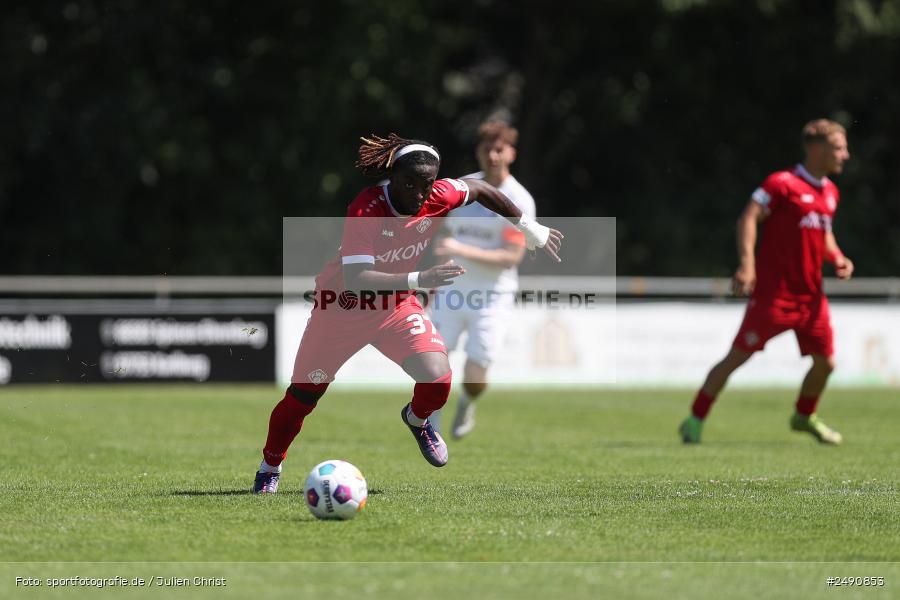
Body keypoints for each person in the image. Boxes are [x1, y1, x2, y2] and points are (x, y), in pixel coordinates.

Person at [253, 133, 563, 493]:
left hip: (394, 306)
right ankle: (269, 468)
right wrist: (421, 278)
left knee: (437, 377)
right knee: (303, 397)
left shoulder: (438, 195)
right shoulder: (367, 208)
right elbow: (356, 278)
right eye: (409, 184)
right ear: (392, 178)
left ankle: (417, 419)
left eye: (426, 185)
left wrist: (528, 225)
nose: (418, 194)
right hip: (341, 308)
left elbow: (480, 189)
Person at [679, 119, 854, 445]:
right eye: (839, 148)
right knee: (736, 358)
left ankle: (803, 416)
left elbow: (824, 233)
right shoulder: (782, 183)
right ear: (816, 148)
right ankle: (694, 418)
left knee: (826, 363)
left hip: (811, 297)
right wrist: (747, 265)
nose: (845, 155)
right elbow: (748, 217)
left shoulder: (830, 191)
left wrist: (838, 257)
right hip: (775, 295)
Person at [428, 121, 536, 439]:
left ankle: (467, 401)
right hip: (451, 291)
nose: (492, 155)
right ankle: (429, 421)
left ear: (511, 154)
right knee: (432, 363)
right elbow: (443, 233)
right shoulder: (462, 188)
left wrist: (460, 248)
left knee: (475, 376)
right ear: (478, 151)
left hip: (492, 297)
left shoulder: (519, 200)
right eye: (486, 148)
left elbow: (510, 257)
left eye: (498, 149)